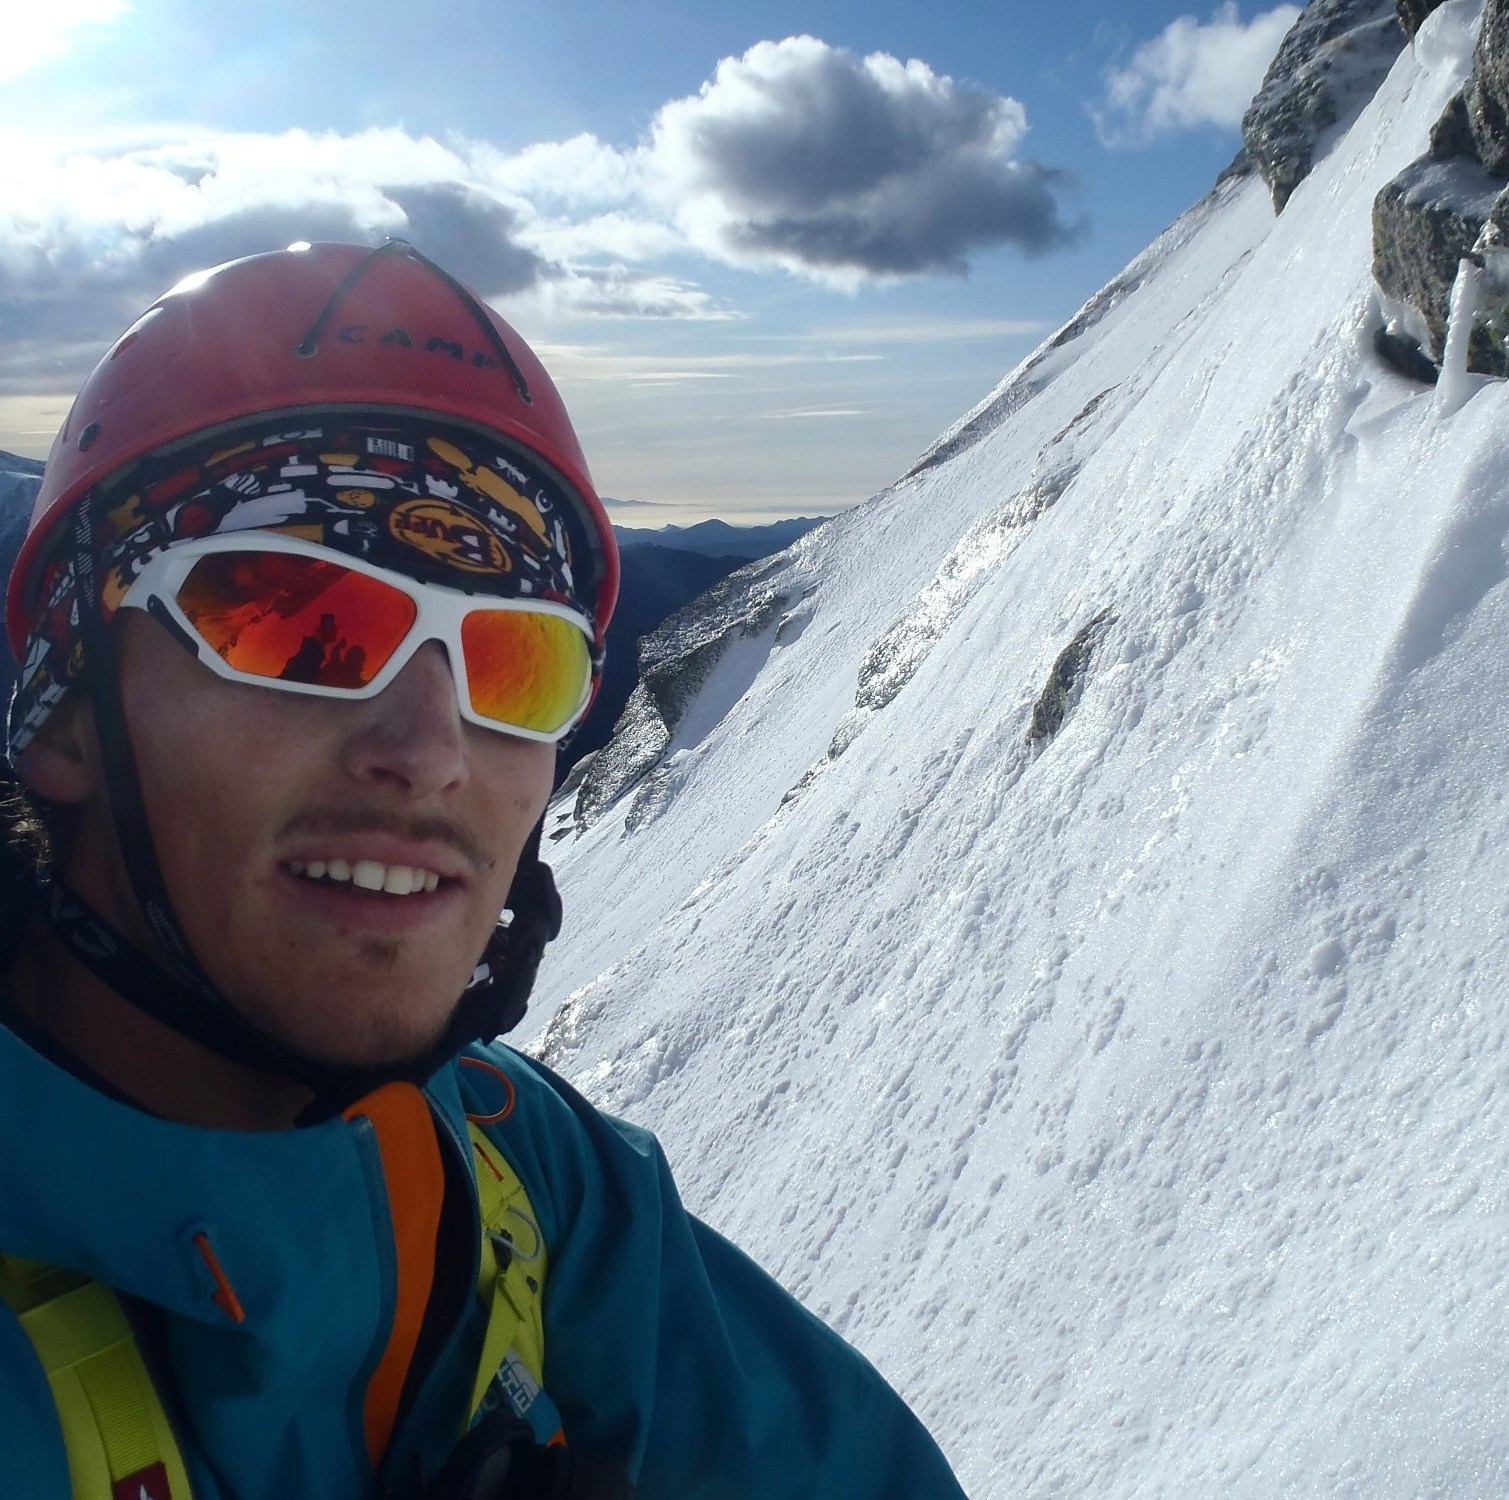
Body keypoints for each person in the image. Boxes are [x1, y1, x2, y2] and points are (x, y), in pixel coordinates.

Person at [0, 241, 968, 1500]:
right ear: (66, 714)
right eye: (300, 624)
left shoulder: (519, 1167)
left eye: (519, 665)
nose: (431, 753)